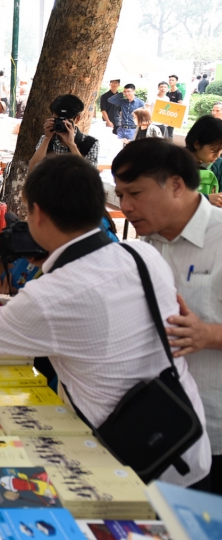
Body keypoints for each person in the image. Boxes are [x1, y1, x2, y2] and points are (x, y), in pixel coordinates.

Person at [0, 153, 212, 488]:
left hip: (132, 464)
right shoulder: (142, 254)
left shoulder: (49, 296)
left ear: (38, 213)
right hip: (185, 440)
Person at [112, 138, 222, 493]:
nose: (125, 206)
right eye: (120, 195)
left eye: (135, 193)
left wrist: (209, 335)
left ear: (176, 184)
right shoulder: (145, 246)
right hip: (157, 426)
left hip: (214, 431)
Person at [29, 94, 100, 169]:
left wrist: (72, 145)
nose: (61, 123)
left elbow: (88, 174)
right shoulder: (46, 139)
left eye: (65, 120)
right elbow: (32, 169)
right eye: (57, 119)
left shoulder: (90, 144)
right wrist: (47, 138)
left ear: (77, 119)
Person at [184, 116, 222, 201]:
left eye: (221, 151)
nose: (218, 155)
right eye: (215, 150)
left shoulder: (218, 166)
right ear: (197, 144)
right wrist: (206, 199)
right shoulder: (173, 163)